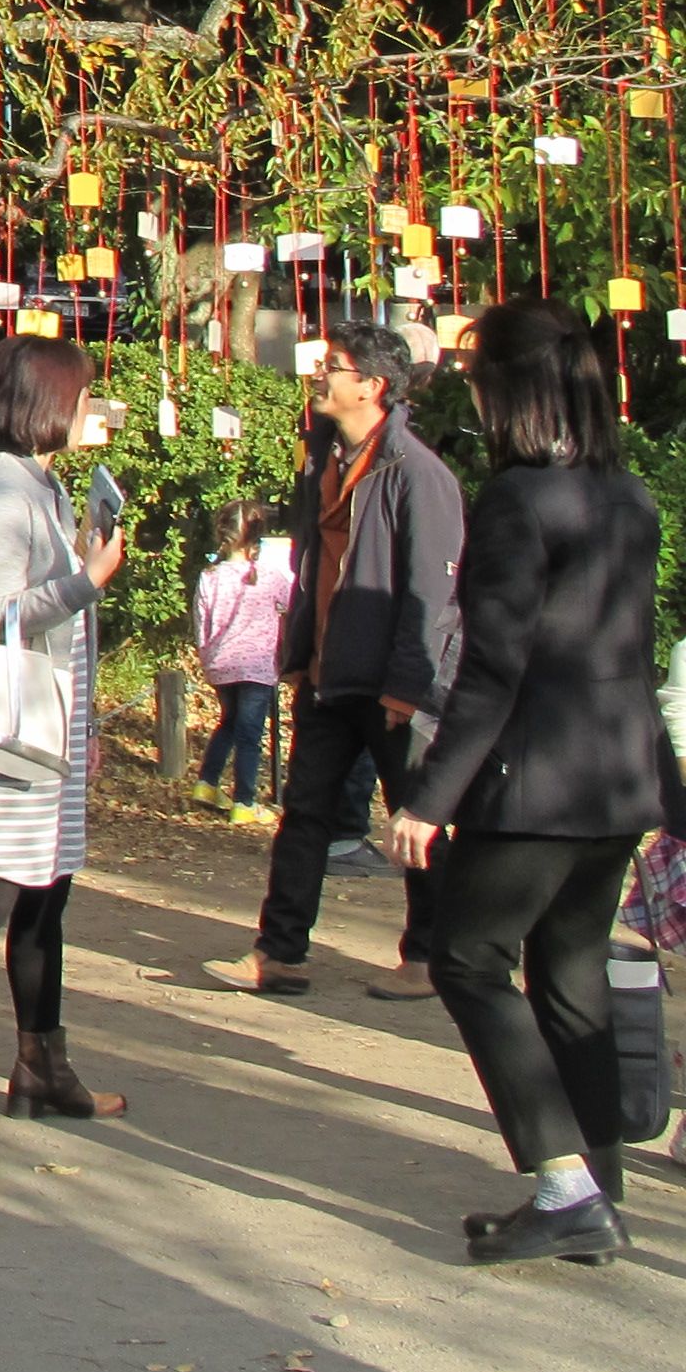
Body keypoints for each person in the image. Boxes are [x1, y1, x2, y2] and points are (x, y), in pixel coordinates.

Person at [383, 300, 686, 1265]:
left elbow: (493, 672)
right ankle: (600, 1192)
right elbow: (632, 656)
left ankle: (564, 1187)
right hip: (615, 782)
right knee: (570, 972)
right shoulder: (627, 496)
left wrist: (428, 800)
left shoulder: (516, 501)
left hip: (535, 784)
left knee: (468, 961)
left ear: (506, 388)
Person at [203, 318, 465, 999]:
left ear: (373, 386)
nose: (320, 374)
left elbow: (431, 595)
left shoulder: (418, 474)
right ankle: (280, 951)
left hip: (392, 684)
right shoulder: (323, 459)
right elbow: (313, 563)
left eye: (336, 365)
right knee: (304, 815)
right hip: (328, 674)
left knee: (413, 821)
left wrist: (410, 687)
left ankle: (429, 955)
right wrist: (298, 654)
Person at [0, 333, 130, 1151]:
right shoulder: (3, 494)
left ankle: (43, 1062)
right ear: (49, 403)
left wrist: (90, 723)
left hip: (46, 724)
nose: (87, 412)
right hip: (0, 729)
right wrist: (87, 579)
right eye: (80, 397)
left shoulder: (43, 488)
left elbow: (58, 627)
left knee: (46, 898)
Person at [190, 502, 293, 823]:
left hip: (221, 663)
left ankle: (207, 781)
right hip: (257, 666)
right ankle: (245, 801)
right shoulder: (269, 576)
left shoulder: (210, 577)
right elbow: (294, 605)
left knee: (230, 722)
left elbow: (200, 622)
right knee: (250, 733)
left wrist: (207, 657)